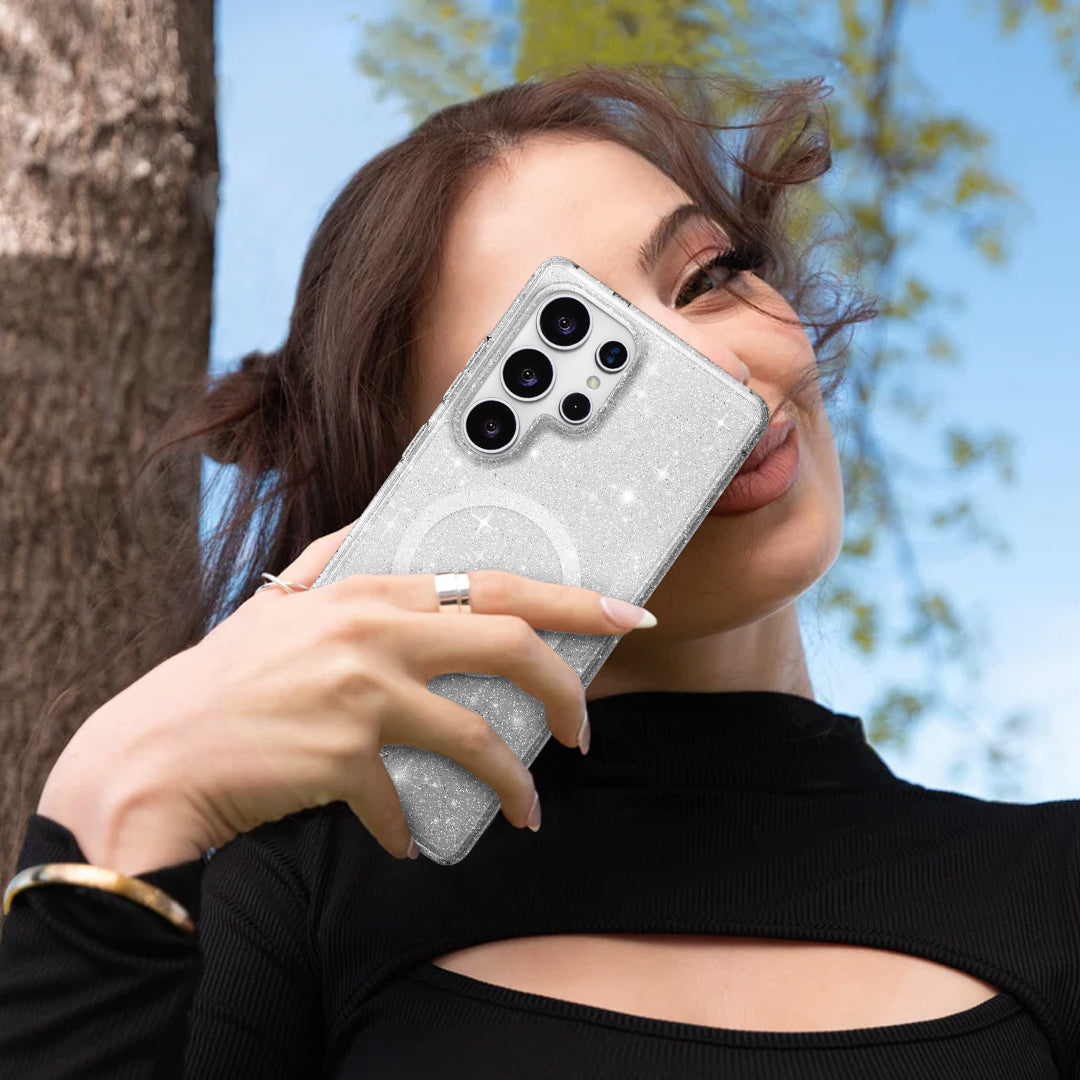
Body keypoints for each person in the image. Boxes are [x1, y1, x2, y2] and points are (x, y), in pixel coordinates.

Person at [1, 65, 1077, 1079]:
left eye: (706, 277)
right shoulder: (294, 904)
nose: (715, 373)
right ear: (430, 512)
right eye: (559, 369)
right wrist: (121, 789)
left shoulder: (1056, 883)